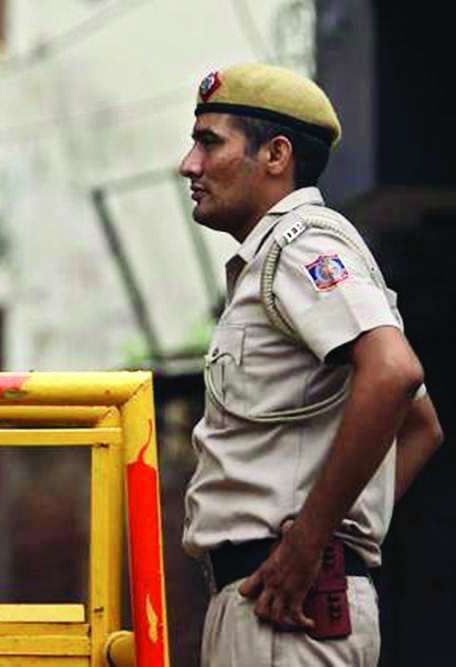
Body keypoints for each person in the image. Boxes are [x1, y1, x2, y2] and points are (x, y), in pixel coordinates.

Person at [178, 63, 443, 665]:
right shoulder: (277, 255)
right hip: (274, 598)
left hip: (286, 610)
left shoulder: (302, 245)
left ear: (276, 155)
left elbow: (394, 373)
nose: (189, 164)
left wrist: (313, 541)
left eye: (209, 142)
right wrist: (333, 533)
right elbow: (421, 425)